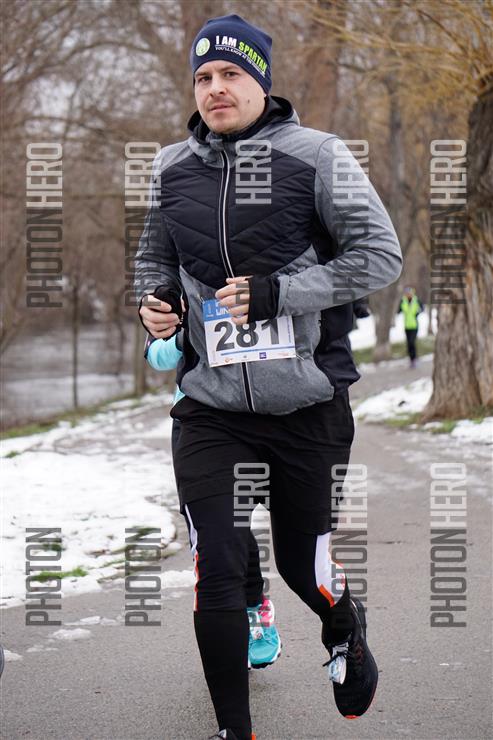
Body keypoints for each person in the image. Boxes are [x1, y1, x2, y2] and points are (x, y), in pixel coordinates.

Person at [134, 13, 402, 740]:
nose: (215, 88)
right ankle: (234, 730)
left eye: (231, 74)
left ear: (260, 81)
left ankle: (343, 626)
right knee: (217, 564)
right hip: (211, 405)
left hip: (307, 403)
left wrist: (281, 293)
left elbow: (380, 257)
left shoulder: (317, 155)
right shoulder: (169, 168)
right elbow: (154, 260)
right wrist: (154, 306)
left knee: (300, 567)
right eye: (203, 77)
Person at [145, 332, 282, 670]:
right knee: (219, 530)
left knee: (250, 525)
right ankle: (250, 610)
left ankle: (262, 605)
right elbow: (157, 355)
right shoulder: (177, 297)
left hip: (268, 414)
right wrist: (186, 336)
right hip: (200, 421)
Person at [398, 286, 424, 368]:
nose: (408, 294)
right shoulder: (403, 301)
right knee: (409, 343)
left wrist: (417, 313)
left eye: (409, 293)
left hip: (414, 325)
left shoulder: (416, 300)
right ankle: (411, 359)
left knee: (412, 342)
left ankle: (414, 359)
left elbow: (422, 308)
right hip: (406, 326)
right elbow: (398, 310)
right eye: (407, 293)